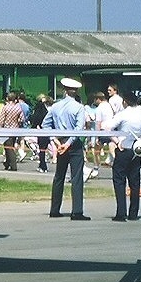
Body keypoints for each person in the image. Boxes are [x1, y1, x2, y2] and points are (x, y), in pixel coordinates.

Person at [42, 77, 90, 220]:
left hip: (60, 141)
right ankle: (77, 211)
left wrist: (55, 141)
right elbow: (78, 128)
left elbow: (46, 125)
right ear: (76, 91)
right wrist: (68, 144)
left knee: (59, 177)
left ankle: (54, 209)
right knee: (76, 177)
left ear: (64, 90)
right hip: (73, 144)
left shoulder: (55, 106)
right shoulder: (79, 107)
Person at [104, 91, 141, 222]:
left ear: (125, 101)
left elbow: (107, 127)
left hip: (123, 149)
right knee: (134, 182)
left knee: (119, 180)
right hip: (137, 150)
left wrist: (116, 141)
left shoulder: (123, 114)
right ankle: (133, 213)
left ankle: (121, 213)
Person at [0, 92, 25, 170]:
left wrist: (0, 127)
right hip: (15, 130)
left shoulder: (5, 107)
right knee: (10, 146)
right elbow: (22, 119)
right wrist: (17, 122)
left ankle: (13, 165)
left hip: (6, 130)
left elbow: (2, 119)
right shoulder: (18, 107)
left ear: (7, 99)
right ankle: (7, 163)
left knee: (8, 147)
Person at [29, 94, 52, 172]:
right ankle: (42, 164)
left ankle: (43, 166)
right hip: (48, 131)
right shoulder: (48, 111)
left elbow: (34, 120)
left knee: (41, 149)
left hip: (41, 130)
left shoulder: (38, 110)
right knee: (44, 149)